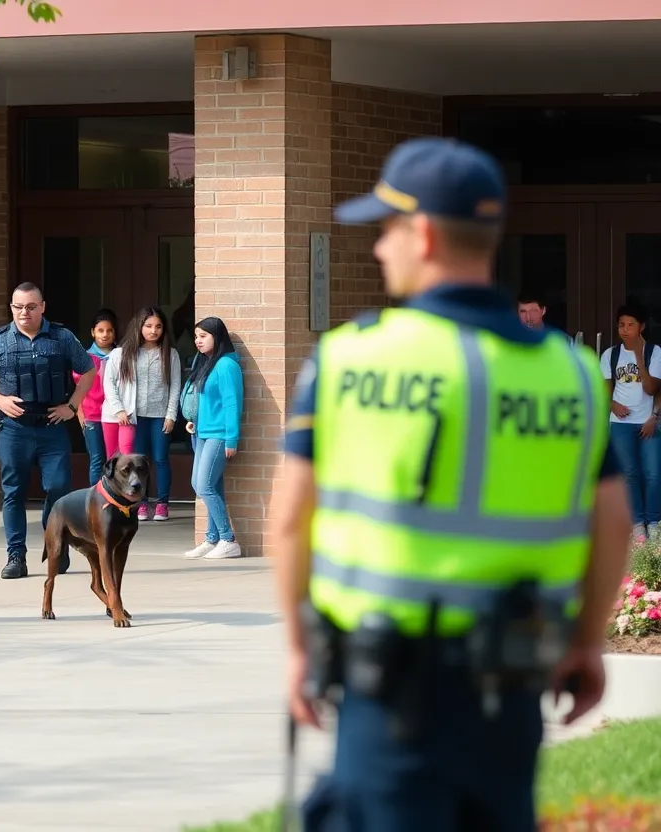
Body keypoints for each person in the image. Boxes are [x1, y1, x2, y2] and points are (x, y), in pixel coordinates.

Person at [272, 137, 631, 831]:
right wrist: (587, 643)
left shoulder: (349, 360)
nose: (378, 249)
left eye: (385, 230)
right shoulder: (573, 371)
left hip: (389, 695)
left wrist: (295, 651)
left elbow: (288, 517)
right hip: (514, 691)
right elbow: (613, 522)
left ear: (425, 234)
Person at [0, 282, 97, 579]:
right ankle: (16, 555)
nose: (23, 312)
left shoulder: (61, 337)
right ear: (11, 308)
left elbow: (89, 370)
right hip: (14, 428)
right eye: (18, 307)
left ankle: (56, 545)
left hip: (51, 426)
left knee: (58, 488)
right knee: (13, 492)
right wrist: (0, 400)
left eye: (30, 306)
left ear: (43, 307)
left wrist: (73, 406)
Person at [101, 306, 183, 520]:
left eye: (158, 326)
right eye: (148, 326)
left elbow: (175, 386)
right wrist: (119, 408)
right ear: (139, 326)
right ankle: (141, 502)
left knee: (160, 458)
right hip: (133, 417)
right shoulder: (122, 352)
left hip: (159, 417)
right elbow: (108, 382)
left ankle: (163, 503)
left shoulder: (170, 354)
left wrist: (171, 414)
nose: (153, 331)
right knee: (137, 462)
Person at [182, 317, 243, 559]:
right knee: (211, 485)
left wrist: (232, 439)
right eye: (196, 336)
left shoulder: (227, 366)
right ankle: (212, 538)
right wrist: (194, 421)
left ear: (217, 337)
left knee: (202, 485)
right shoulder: (207, 363)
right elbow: (206, 401)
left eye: (203, 336)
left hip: (219, 435)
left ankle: (228, 540)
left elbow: (231, 403)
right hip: (201, 432)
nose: (198, 341)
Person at [600, 302, 661, 544]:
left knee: (653, 473)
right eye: (621, 325)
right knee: (629, 474)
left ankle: (654, 522)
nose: (625, 330)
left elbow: (650, 387)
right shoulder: (610, 354)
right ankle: (637, 524)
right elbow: (605, 391)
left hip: (648, 422)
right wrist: (612, 405)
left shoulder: (654, 352)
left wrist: (638, 353)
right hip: (621, 423)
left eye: (630, 325)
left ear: (642, 327)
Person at [75, 308, 118, 485]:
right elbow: (79, 388)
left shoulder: (120, 356)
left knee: (114, 459)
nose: (105, 335)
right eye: (100, 330)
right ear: (93, 332)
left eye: (109, 330)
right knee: (96, 458)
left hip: (115, 415)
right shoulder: (85, 357)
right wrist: (79, 412)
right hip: (91, 415)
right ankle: (96, 499)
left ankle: (114, 498)